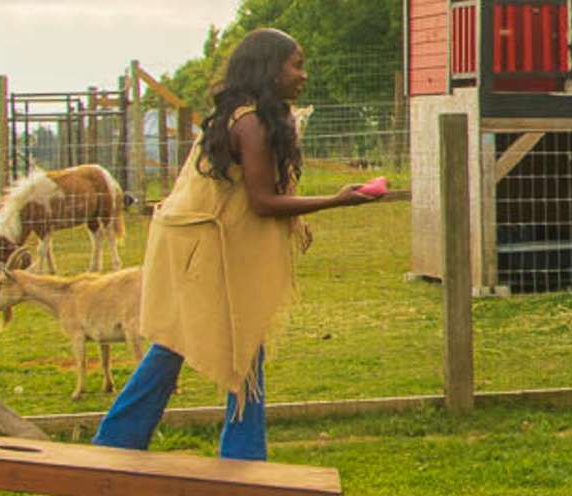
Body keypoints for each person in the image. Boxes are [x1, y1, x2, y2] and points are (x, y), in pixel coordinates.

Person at [89, 28, 387, 460]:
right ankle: (231, 455)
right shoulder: (249, 123)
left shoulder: (251, 116)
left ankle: (125, 442)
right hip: (205, 248)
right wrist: (337, 200)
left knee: (198, 344)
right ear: (270, 69)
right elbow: (263, 202)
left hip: (197, 242)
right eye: (296, 64)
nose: (303, 74)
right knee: (207, 343)